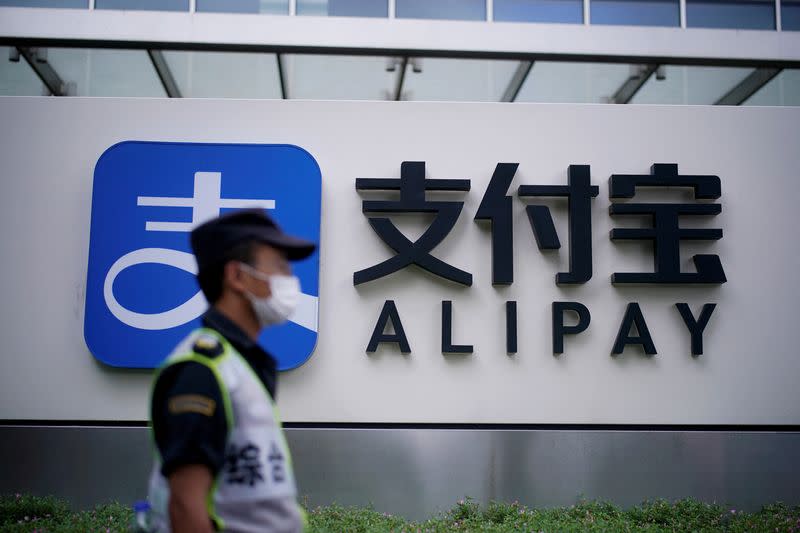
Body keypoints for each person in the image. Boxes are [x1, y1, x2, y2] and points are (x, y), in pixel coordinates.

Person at [147, 209, 315, 533]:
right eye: (279, 266)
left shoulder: (239, 365)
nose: (289, 279)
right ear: (237, 276)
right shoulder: (200, 371)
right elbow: (185, 505)